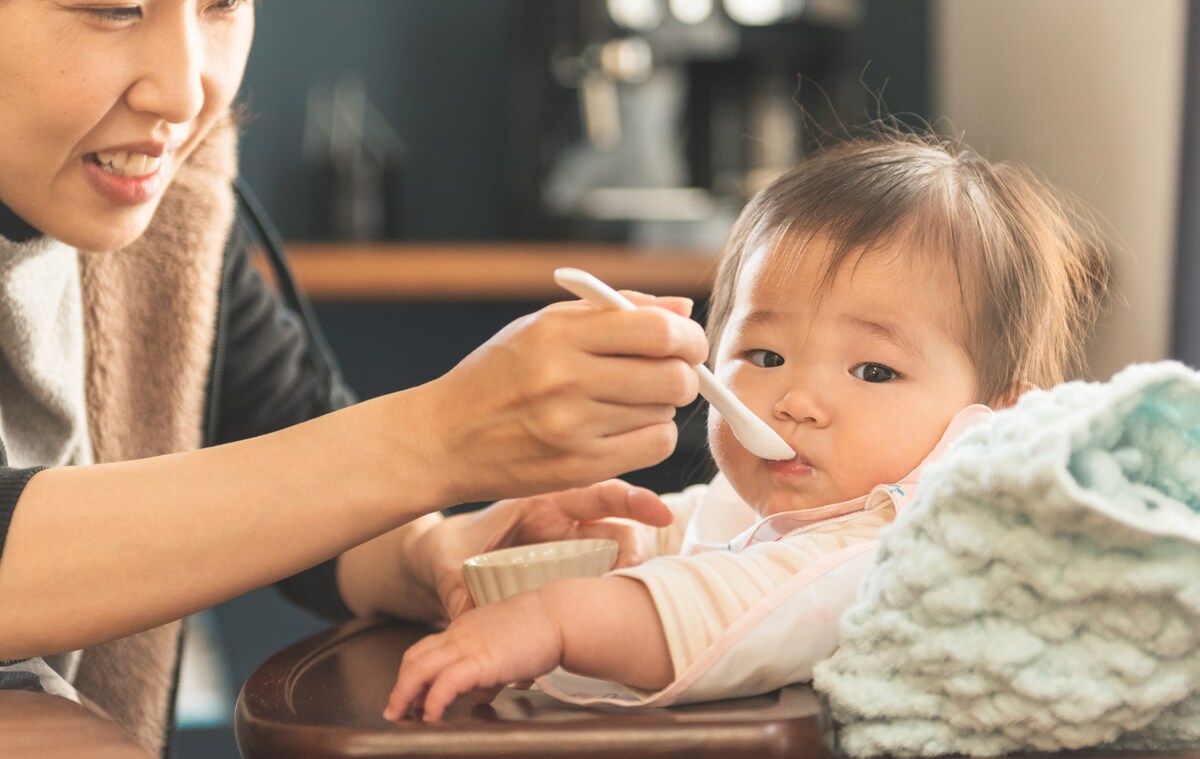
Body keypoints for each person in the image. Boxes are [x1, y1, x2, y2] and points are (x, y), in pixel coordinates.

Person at [0, 1, 710, 754]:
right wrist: (435, 439)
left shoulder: (179, 208)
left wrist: (433, 554)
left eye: (223, 6)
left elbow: (294, 457)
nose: (184, 92)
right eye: (112, 8)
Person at [385, 131, 1113, 720]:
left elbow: (739, 602)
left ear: (995, 423)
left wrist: (552, 620)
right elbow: (706, 531)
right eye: (764, 354)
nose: (795, 399)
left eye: (873, 371)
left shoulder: (907, 550)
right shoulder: (787, 492)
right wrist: (618, 550)